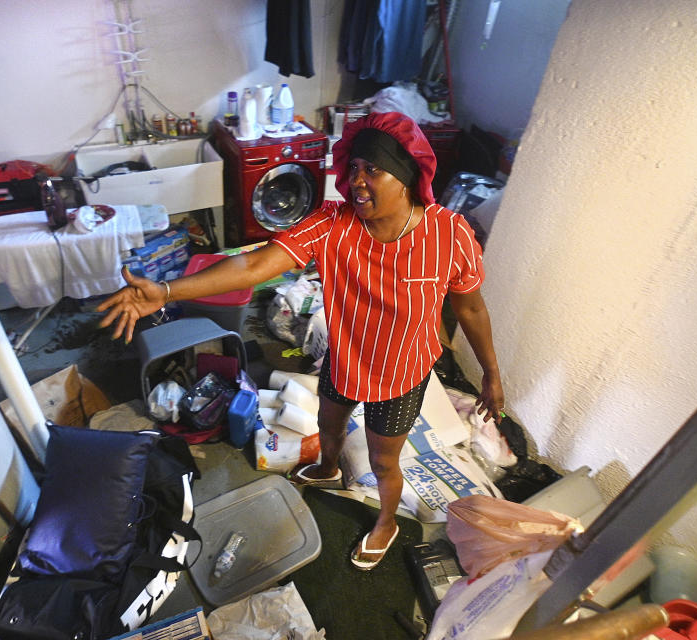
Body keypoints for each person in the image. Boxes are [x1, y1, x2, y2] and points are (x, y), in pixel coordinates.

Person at [98, 111, 504, 571]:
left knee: (384, 463)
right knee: (327, 428)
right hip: (345, 360)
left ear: (407, 176)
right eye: (353, 169)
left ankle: (386, 522)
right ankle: (329, 468)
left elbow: (469, 308)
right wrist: (167, 290)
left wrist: (491, 373)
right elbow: (253, 266)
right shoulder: (333, 224)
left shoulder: (449, 235)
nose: (357, 182)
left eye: (373, 170)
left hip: (400, 375)